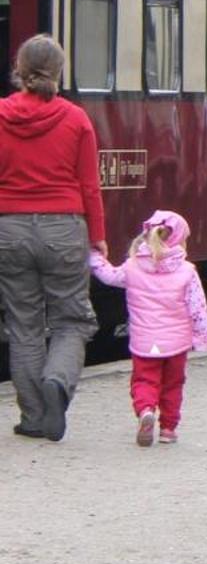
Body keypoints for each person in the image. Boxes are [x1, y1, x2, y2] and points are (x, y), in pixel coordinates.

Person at [0, 35, 105, 441]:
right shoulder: (76, 119)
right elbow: (90, 186)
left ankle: (33, 417)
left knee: (24, 325)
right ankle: (58, 382)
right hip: (64, 227)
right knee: (72, 320)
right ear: (59, 72)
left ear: (19, 70)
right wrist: (98, 237)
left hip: (8, 228)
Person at [89, 210, 207, 446]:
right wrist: (202, 338)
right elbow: (198, 308)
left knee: (144, 380)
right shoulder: (187, 271)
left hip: (145, 342)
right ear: (180, 240)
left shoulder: (132, 266)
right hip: (176, 343)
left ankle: (145, 410)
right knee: (173, 385)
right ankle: (168, 429)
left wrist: (94, 258)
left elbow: (109, 276)